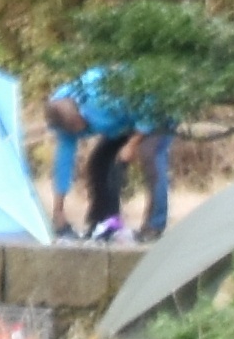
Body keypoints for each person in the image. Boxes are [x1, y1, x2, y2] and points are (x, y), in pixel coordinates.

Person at [48, 63, 174, 240]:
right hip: (122, 122)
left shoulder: (102, 97)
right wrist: (58, 210)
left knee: (150, 155)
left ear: (79, 110)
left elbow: (149, 107)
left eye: (80, 125)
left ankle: (153, 227)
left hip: (156, 107)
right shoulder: (61, 116)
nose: (82, 131)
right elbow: (63, 163)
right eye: (75, 131)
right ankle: (104, 223)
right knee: (99, 162)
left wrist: (131, 145)